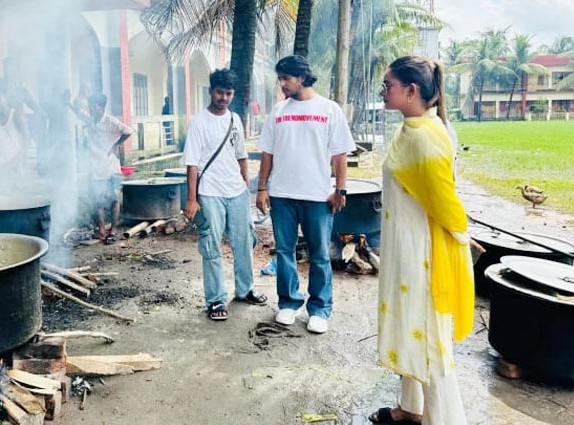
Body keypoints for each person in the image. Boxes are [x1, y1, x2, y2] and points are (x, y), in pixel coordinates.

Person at [369, 56, 476, 425]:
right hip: (405, 249)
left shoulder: (426, 140)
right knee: (409, 328)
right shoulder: (412, 128)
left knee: (430, 342)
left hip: (423, 256)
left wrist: (462, 234)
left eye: (388, 86)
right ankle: (411, 408)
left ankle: (445, 419)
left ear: (411, 91)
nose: (383, 92)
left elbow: (445, 201)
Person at [255, 55, 355, 334]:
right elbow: (267, 153)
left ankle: (320, 308)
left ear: (302, 77)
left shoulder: (329, 109)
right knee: (285, 251)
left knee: (320, 254)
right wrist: (262, 188)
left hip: (318, 196)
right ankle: (288, 303)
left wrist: (341, 189)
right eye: (280, 79)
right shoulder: (277, 112)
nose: (282, 84)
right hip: (282, 195)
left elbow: (340, 154)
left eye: (286, 78)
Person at [183, 69, 267, 321]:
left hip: (236, 192)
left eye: (228, 93)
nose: (223, 97)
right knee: (211, 246)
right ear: (211, 91)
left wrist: (245, 184)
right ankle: (216, 299)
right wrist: (191, 198)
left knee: (244, 243)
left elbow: (241, 154)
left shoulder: (235, 120)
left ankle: (245, 289)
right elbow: (192, 164)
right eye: (220, 92)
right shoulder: (198, 122)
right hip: (209, 192)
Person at [83, 93, 132, 244]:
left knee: (113, 200)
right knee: (98, 199)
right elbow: (79, 113)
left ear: (101, 107)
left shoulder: (111, 122)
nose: (91, 109)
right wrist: (69, 104)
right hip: (96, 167)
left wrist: (116, 145)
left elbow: (128, 131)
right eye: (89, 106)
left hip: (110, 166)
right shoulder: (90, 120)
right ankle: (102, 229)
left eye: (93, 107)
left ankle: (114, 230)